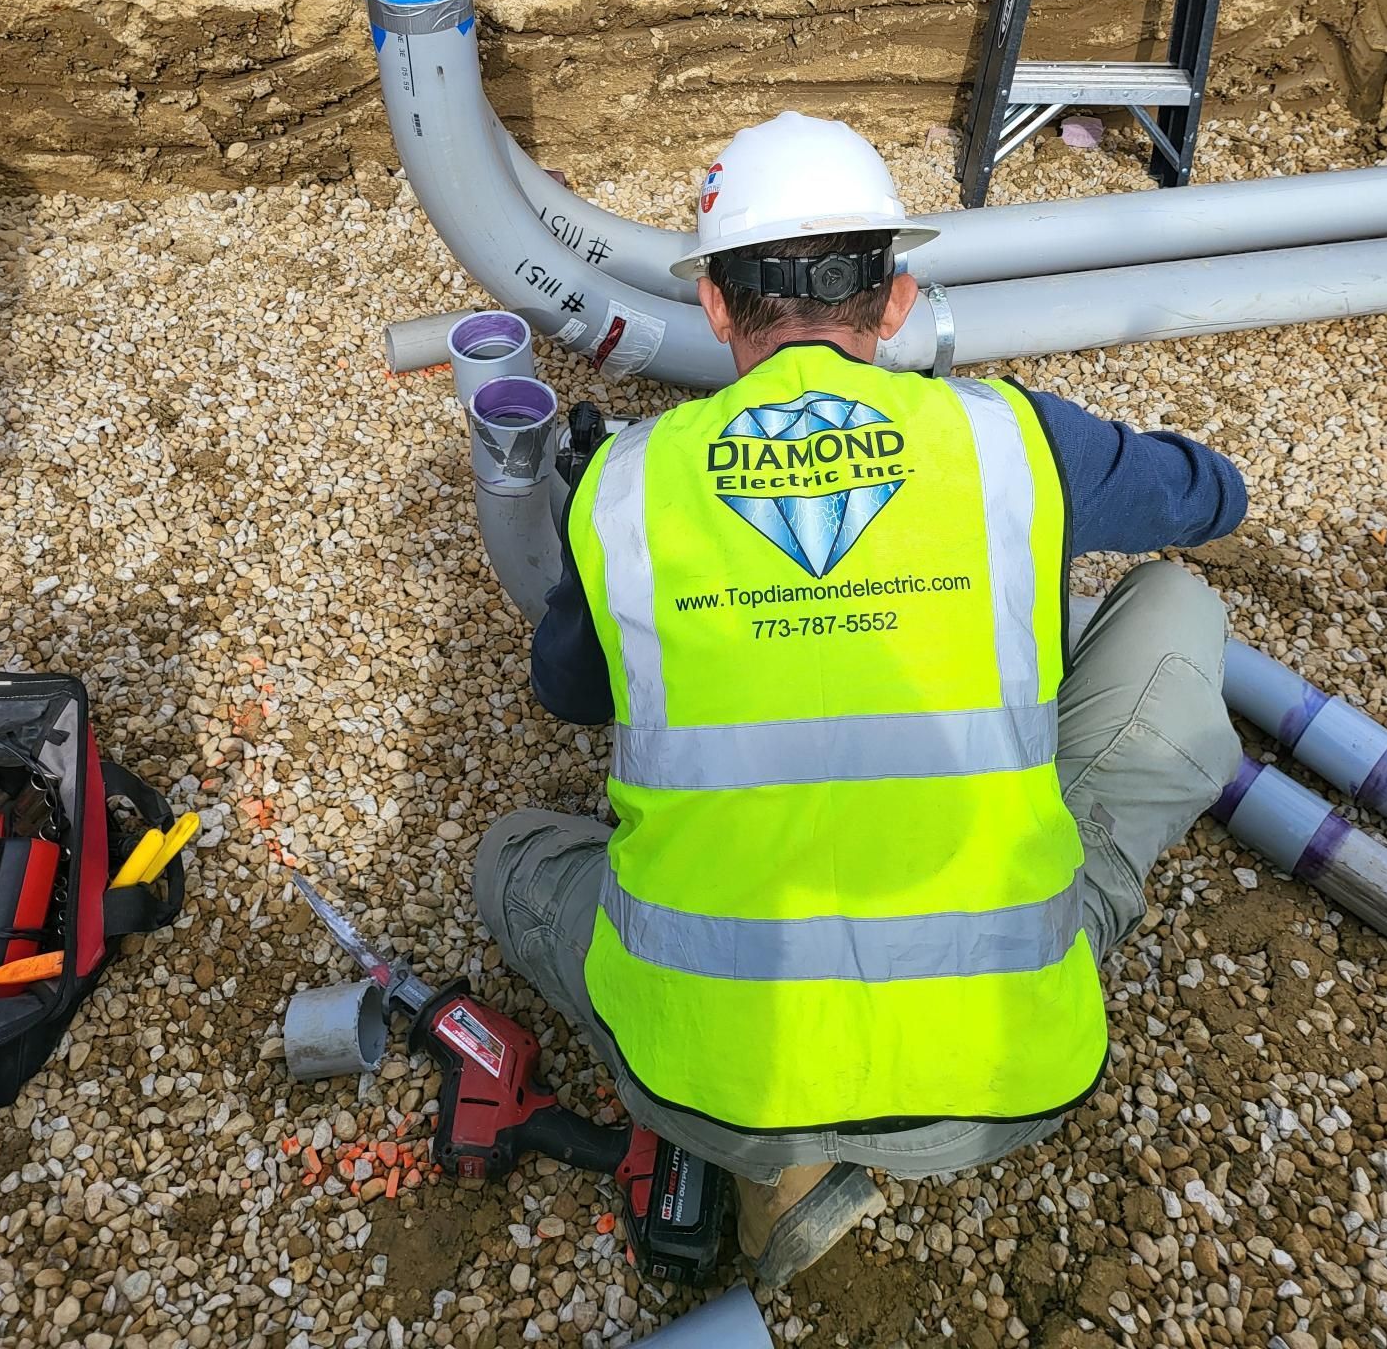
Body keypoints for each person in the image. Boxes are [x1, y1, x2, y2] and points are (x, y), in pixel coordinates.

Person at [474, 112, 1245, 1284]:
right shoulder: (1010, 443)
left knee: (513, 855)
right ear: (895, 299)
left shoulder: (629, 488)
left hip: (708, 1085)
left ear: (719, 309)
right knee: (1178, 611)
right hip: (1002, 1079)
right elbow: (1206, 496)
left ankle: (767, 1162)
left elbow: (569, 688)